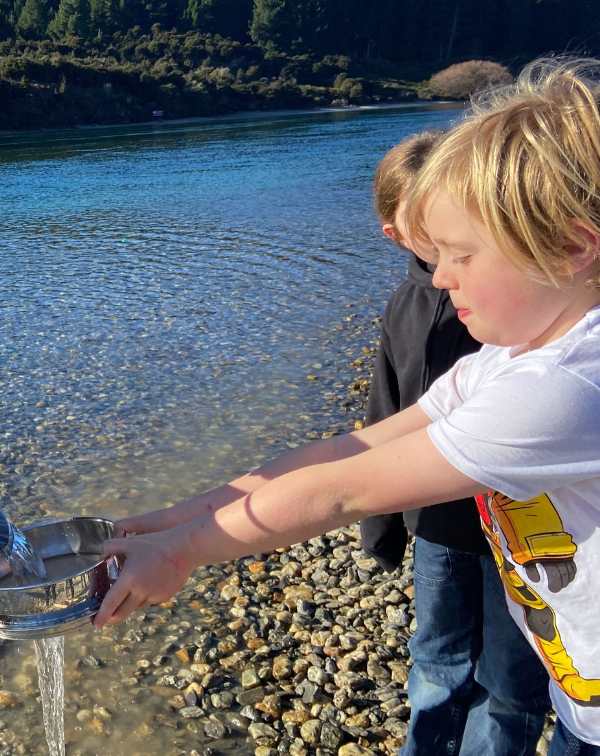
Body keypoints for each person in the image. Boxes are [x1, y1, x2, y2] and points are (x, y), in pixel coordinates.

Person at [96, 59, 600, 756]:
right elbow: (352, 449)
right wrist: (171, 519)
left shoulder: (570, 387)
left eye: (461, 255)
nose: (442, 278)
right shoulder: (509, 360)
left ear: (572, 247)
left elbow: (344, 491)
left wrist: (182, 552)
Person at [358, 131, 549, 755]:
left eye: (463, 244)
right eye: (432, 238)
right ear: (398, 234)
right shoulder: (407, 306)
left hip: (520, 522)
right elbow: (387, 413)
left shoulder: (517, 300)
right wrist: (381, 527)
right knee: (438, 661)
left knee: (511, 679)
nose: (448, 267)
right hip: (441, 525)